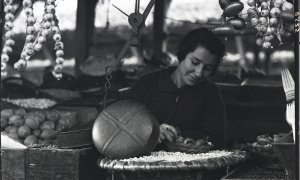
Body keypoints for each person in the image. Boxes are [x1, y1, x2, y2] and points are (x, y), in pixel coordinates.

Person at [131, 27, 226, 149]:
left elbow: (217, 138)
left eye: (207, 68)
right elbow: (125, 125)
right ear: (182, 55)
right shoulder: (147, 84)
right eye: (195, 62)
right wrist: (153, 131)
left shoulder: (210, 93)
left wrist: (179, 134)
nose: (198, 73)